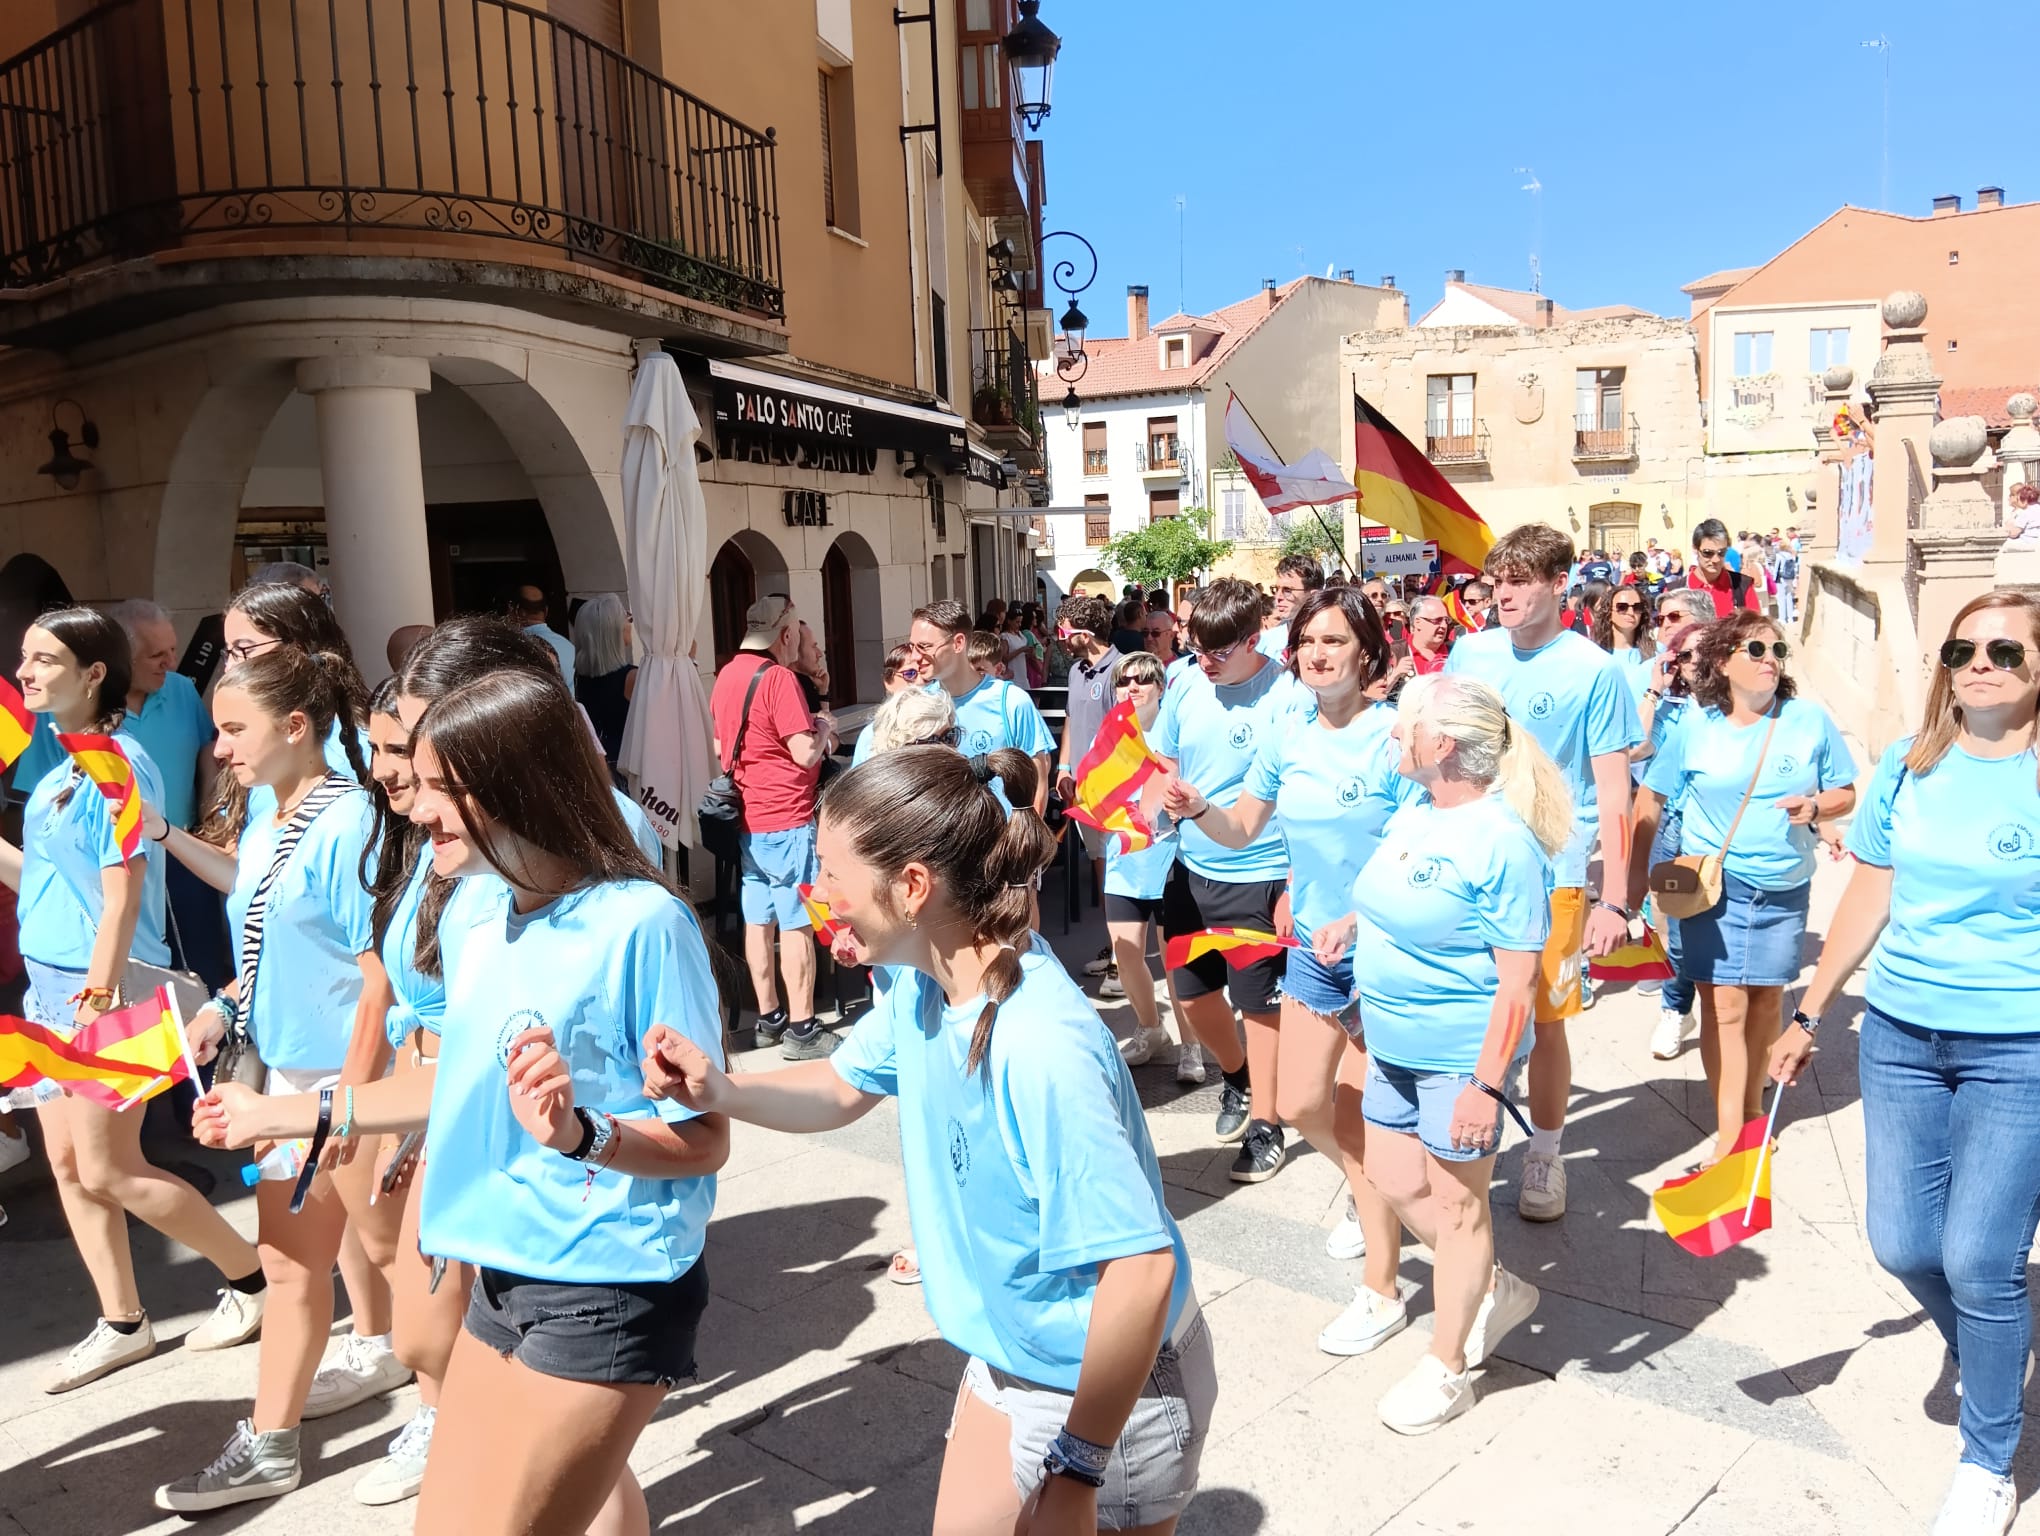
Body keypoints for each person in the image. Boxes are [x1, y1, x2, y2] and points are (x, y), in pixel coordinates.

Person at [192, 667, 727, 1536]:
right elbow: (459, 1074)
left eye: (440, 788)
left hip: (609, 1287)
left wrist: (579, 1134)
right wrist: (288, 1115)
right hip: (500, 1277)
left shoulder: (641, 924)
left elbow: (704, 1142)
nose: (412, 807)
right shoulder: (476, 910)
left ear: (513, 786)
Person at [642, 745, 1215, 1532]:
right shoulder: (928, 985)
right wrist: (724, 1090)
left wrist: (1080, 1467)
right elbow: (843, 1086)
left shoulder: (1038, 1042)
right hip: (1007, 1357)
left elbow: (1140, 1271)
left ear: (913, 887)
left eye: (834, 874)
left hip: (1110, 1387)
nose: (822, 896)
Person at [1769, 591, 2039, 1536]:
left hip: (2022, 1047)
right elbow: (1869, 890)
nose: (1980, 663)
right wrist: (1809, 1011)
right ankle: (1995, 1344)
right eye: (1963, 649)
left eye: (2005, 647)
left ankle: (1987, 1457)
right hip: (1901, 1035)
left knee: (1979, 1256)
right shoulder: (1909, 765)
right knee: (1902, 1242)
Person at [1, 609, 265, 1394]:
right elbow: (46, 886)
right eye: (24, 658)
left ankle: (252, 1283)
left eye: (45, 660)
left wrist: (94, 997)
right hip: (55, 987)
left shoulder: (121, 763)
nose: (26, 673)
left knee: (111, 1168)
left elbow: (124, 894)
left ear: (93, 674)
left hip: (99, 993)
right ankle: (123, 1322)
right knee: (69, 1166)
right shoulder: (58, 771)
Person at [150, 645, 382, 1511]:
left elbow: (377, 978)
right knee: (289, 1269)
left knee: (414, 1266)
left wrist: (345, 1109)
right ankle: (272, 1442)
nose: (218, 750)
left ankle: (447, 1428)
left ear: (294, 728)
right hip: (290, 1085)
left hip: (352, 1085)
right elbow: (277, 943)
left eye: (233, 730)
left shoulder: (349, 821)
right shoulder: (264, 816)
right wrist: (225, 1004)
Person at [1338, 673, 1566, 1431]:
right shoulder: (1418, 808)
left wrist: (1485, 1087)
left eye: (1406, 726)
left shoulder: (1503, 840)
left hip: (1459, 1056)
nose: (1395, 734)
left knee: (1460, 1210)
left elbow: (1518, 985)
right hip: (1391, 1043)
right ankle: (1488, 1286)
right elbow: (1398, 891)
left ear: (1444, 745)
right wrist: (1351, 925)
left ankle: (1449, 1362)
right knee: (1396, 1179)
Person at [1163, 587, 1409, 1256]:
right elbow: (1242, 828)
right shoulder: (1287, 733)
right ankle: (1373, 1193)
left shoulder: (1396, 735)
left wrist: (1357, 920)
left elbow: (1420, 853)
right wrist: (1194, 808)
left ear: (1367, 652)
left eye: (1335, 641)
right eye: (1306, 641)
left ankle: (1381, 1237)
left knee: (1363, 1115)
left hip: (1385, 950)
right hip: (1311, 949)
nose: (1318, 654)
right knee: (1302, 1106)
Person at [1445, 524, 1639, 1221]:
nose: (1504, 593)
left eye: (1521, 580)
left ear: (1560, 584)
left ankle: (1546, 1156)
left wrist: (1613, 900)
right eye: (1498, 580)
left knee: (1547, 1021)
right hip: (1469, 863)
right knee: (1471, 1013)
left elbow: (1614, 790)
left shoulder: (1595, 670)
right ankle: (1462, 1142)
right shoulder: (1471, 651)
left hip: (1551, 872)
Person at [1627, 610, 1855, 1165]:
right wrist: (1629, 889)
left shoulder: (1808, 721)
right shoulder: (1695, 726)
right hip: (1714, 888)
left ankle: (1751, 1108)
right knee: (1724, 1007)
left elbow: (1845, 792)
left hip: (1783, 886)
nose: (1770, 661)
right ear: (1722, 662)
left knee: (1766, 1003)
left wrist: (1817, 807)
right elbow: (1650, 801)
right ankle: (1734, 1135)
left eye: (1778, 652)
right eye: (1756, 650)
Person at [1144, 578, 1301, 1166]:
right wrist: (1149, 810)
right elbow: (1165, 761)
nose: (1203, 662)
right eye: (1195, 647)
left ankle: (1267, 1123)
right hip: (1190, 865)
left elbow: (1300, 790)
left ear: (1253, 639)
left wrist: (1291, 881)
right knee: (1192, 995)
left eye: (1217, 652)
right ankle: (1238, 1077)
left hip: (1259, 868)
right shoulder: (1185, 681)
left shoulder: (1287, 694)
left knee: (1258, 1004)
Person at [707, 595, 837, 1060]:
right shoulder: (779, 678)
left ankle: (769, 1018)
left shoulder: (726, 674)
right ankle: (803, 1029)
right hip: (788, 817)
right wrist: (823, 726)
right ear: (785, 636)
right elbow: (804, 753)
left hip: (749, 820)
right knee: (798, 923)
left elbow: (722, 744)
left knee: (758, 922)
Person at [101, 599, 233, 986]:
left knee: (202, 966)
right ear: (120, 656)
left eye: (173, 650)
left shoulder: (180, 691)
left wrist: (216, 824)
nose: (172, 663)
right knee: (138, 973)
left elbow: (207, 759)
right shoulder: (86, 706)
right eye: (156, 655)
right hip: (118, 862)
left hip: (184, 851)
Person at [1098, 651, 1204, 1086]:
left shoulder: (1176, 732)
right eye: (1124, 681)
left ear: (1161, 687)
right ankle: (1150, 1029)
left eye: (1143, 680)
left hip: (1173, 859)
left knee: (1178, 959)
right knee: (1126, 954)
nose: (1133, 687)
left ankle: (1191, 1044)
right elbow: (1096, 790)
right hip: (1126, 860)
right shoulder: (1109, 735)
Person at [1631, 592, 1714, 1058]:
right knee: (1679, 938)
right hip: (1676, 828)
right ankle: (1677, 1009)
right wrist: (1655, 691)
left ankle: (1737, 1026)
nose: (1661, 625)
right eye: (1660, 620)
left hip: (1724, 832)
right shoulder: (1670, 706)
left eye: (1674, 619)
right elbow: (1637, 748)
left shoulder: (1746, 704)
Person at [897, 599, 1054, 812]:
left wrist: (1024, 841)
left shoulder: (1011, 702)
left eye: (924, 647)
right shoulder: (914, 705)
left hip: (1000, 840)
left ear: (958, 643)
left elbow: (1038, 775)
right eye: (912, 647)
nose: (915, 657)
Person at [571, 594, 636, 772]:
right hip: (627, 769)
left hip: (597, 767)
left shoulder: (580, 676)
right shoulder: (632, 677)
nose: (630, 623)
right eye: (628, 617)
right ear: (615, 630)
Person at [1685, 519, 1762, 619]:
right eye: (1708, 553)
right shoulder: (1676, 590)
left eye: (1721, 552)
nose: (1716, 559)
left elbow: (1755, 629)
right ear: (1695, 549)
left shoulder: (1742, 586)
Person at [1259, 554, 1324, 661]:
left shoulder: (1332, 641)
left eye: (1288, 590)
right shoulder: (1264, 645)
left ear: (1313, 595)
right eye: (1276, 589)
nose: (1278, 597)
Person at [1406, 596, 1455, 676]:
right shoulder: (1396, 653)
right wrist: (1395, 675)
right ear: (1418, 622)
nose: (1444, 625)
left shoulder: (1455, 651)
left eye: (1446, 620)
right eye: (1437, 620)